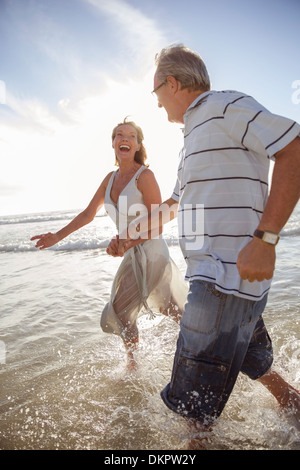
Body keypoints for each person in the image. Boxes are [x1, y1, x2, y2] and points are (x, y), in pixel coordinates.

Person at [108, 45, 300, 447]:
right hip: (225, 279)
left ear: (172, 83)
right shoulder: (192, 137)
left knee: (194, 409)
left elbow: (293, 147)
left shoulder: (226, 107)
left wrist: (266, 238)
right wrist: (131, 234)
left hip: (221, 277)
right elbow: (175, 205)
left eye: (156, 92)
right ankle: (293, 406)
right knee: (253, 359)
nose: (157, 104)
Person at [31, 118, 188, 369]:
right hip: (130, 252)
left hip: (151, 250)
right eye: (119, 135)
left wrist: (127, 242)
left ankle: (133, 365)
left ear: (137, 145)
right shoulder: (109, 179)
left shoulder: (144, 176)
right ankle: (203, 342)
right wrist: (57, 236)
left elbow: (158, 224)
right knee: (172, 309)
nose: (124, 139)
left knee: (119, 312)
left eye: (131, 136)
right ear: (113, 143)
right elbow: (87, 214)